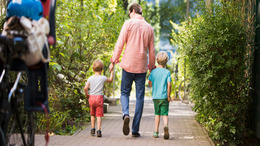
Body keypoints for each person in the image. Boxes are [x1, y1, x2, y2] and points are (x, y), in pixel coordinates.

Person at [109, 3, 156, 137]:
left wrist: (114, 60)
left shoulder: (128, 23)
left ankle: (125, 114)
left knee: (124, 92)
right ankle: (135, 130)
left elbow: (120, 43)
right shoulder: (149, 28)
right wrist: (151, 67)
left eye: (129, 12)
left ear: (133, 11)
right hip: (141, 68)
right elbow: (152, 51)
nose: (129, 15)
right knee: (140, 97)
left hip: (128, 65)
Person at [84, 59, 113, 137]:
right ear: (102, 69)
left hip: (91, 98)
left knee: (92, 114)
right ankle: (99, 131)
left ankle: (92, 129)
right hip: (99, 98)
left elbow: (85, 88)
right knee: (99, 115)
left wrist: (87, 95)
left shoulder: (90, 78)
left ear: (93, 69)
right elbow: (110, 80)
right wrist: (111, 72)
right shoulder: (102, 78)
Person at [148, 51, 172, 140]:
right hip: (164, 97)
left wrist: (150, 75)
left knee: (157, 114)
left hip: (155, 97)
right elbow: (169, 84)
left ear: (157, 60)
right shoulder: (167, 72)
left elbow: (149, 84)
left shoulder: (153, 72)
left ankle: (156, 132)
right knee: (165, 114)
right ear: (166, 61)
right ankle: (165, 126)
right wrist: (168, 96)